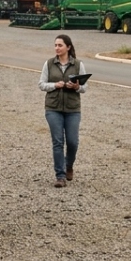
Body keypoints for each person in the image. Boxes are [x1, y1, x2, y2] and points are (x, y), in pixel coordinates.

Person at [39, 34, 86, 187]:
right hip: (53, 108)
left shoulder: (78, 65)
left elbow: (85, 88)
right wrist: (55, 85)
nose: (57, 48)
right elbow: (41, 84)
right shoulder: (49, 64)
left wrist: (77, 87)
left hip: (73, 109)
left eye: (60, 45)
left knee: (72, 142)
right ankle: (60, 176)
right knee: (58, 142)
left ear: (68, 47)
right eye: (55, 45)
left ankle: (69, 165)